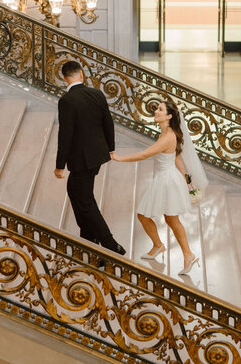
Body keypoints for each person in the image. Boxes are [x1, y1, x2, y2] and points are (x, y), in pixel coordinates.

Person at [111, 100, 203, 276]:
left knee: (162, 218)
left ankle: (185, 254)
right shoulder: (167, 133)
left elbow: (145, 154)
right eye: (157, 109)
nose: (156, 111)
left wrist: (119, 158)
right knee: (162, 218)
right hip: (167, 178)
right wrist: (187, 179)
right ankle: (159, 246)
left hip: (166, 180)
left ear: (169, 116)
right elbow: (176, 158)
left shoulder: (168, 136)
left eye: (160, 110)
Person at [54, 60, 126, 256]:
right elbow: (108, 123)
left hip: (81, 160)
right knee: (74, 191)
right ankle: (89, 242)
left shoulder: (67, 101)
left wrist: (60, 165)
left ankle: (110, 245)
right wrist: (110, 149)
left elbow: (65, 135)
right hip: (97, 156)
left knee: (85, 201)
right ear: (81, 75)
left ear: (64, 78)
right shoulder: (97, 94)